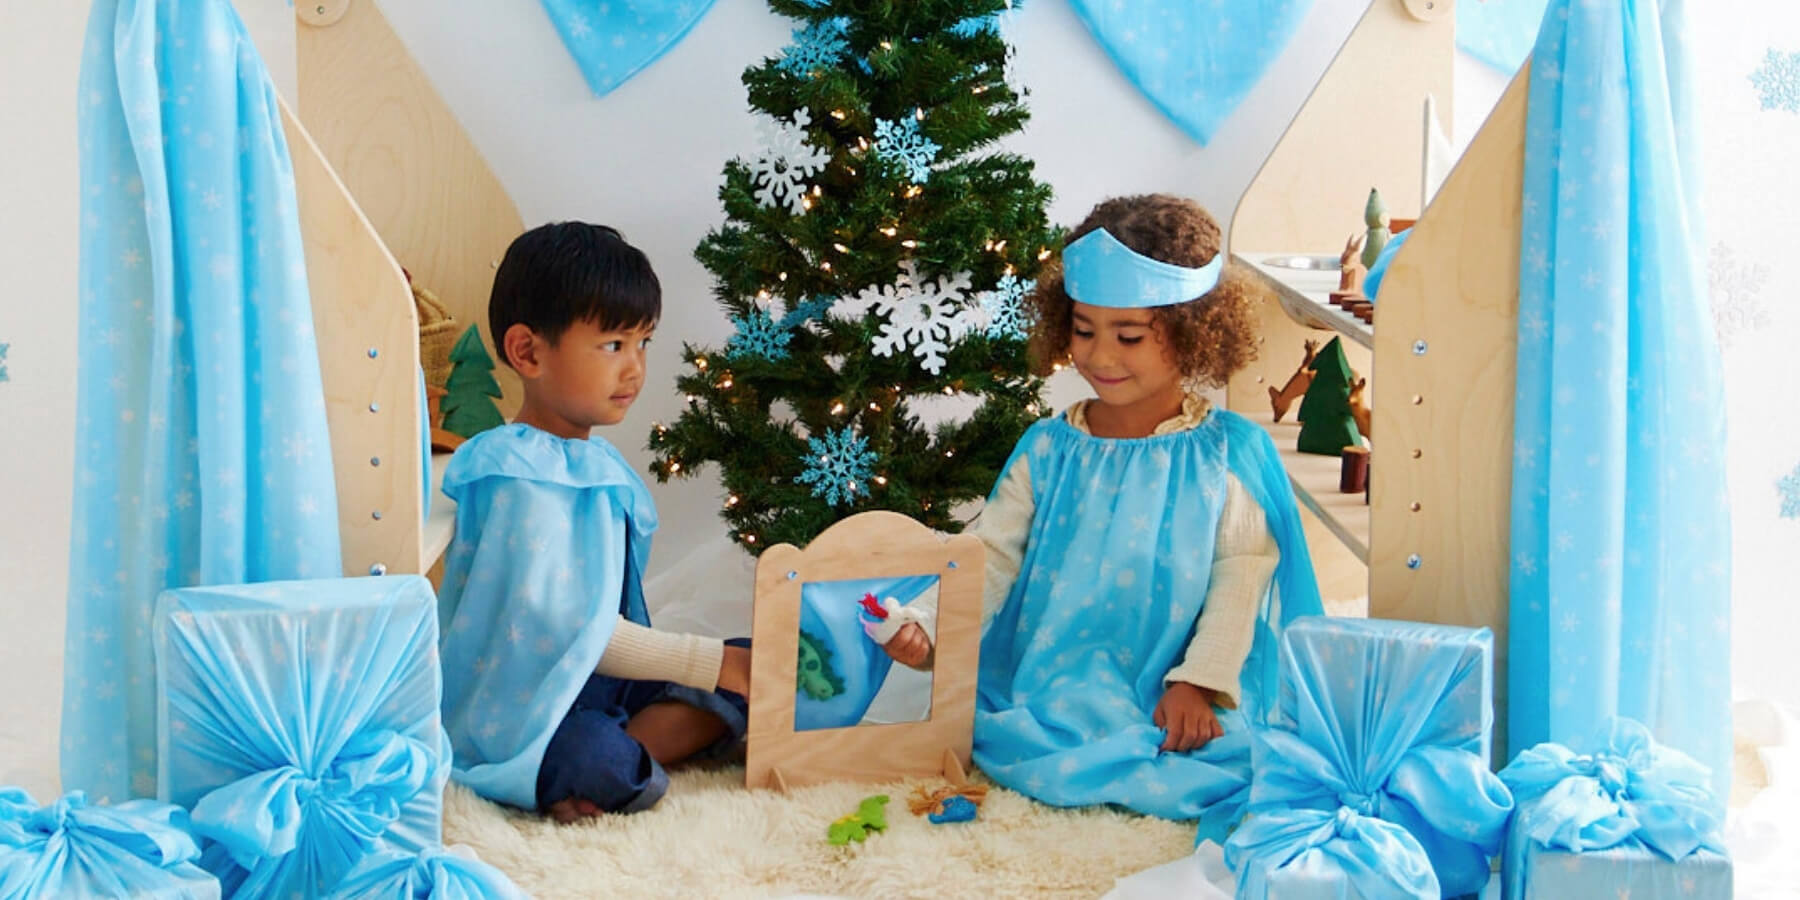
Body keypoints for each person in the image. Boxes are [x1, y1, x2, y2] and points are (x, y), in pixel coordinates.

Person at [886, 195, 1322, 843]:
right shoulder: (1048, 447)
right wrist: (929, 623)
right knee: (1030, 741)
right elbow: (991, 554)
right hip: (1061, 669)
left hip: (1176, 668)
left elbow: (1241, 576)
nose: (1099, 356)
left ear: (1195, 330)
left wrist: (1198, 684)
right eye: (1084, 330)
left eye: (1130, 336)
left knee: (1224, 760)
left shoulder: (1228, 453)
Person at [437, 222, 752, 823]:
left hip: (594, 682)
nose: (634, 369)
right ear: (528, 352)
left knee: (755, 658)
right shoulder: (515, 476)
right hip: (523, 703)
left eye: (643, 343)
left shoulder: (592, 462)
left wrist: (722, 662)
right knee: (604, 751)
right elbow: (563, 629)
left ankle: (628, 745)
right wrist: (706, 664)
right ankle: (602, 760)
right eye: (613, 346)